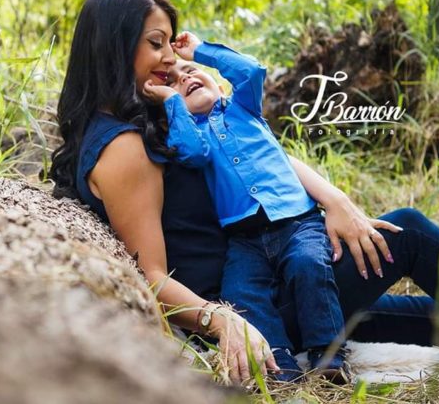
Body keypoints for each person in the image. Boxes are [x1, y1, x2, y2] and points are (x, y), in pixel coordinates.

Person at [49, 0, 439, 385]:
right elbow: (152, 277)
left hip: (278, 270)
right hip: (249, 300)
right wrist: (225, 321)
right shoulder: (124, 148)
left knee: (436, 317)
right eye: (155, 43)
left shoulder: (149, 112)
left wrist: (334, 200)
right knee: (408, 231)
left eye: (170, 44)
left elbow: (258, 156)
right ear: (114, 46)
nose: (168, 58)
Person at [140, 38, 347, 383]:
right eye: (174, 82)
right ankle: (280, 369)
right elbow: (191, 151)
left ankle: (329, 358)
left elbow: (250, 70)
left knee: (308, 264)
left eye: (191, 72)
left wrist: (200, 51)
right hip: (244, 237)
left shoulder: (242, 108)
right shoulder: (194, 136)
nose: (185, 79)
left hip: (296, 220)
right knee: (240, 293)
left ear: (218, 84)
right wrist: (173, 102)